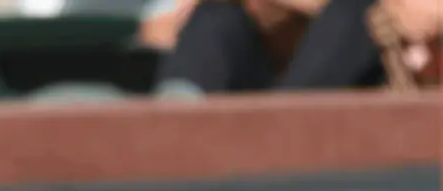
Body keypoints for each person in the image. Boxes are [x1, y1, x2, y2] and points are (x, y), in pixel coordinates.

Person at [141, 0, 404, 91]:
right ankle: (170, 128)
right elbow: (156, 32)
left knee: (351, 12)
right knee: (216, 17)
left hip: (342, 89)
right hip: (249, 82)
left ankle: (283, 128)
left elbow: (406, 13)